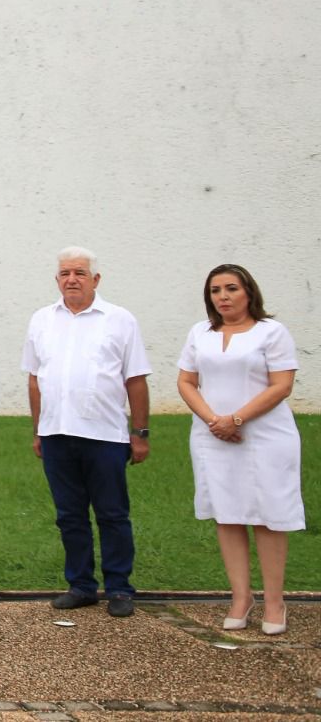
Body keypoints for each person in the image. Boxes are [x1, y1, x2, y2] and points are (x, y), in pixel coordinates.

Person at [175, 264, 303, 636]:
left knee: (268, 514)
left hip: (265, 437)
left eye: (231, 288)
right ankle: (240, 597)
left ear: (249, 292)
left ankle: (276, 601)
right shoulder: (201, 333)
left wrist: (238, 419)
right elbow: (186, 381)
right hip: (213, 436)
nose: (223, 296)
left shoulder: (271, 332)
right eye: (216, 290)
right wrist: (215, 420)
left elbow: (281, 385)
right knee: (227, 514)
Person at [24, 247, 151, 618]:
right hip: (56, 433)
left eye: (80, 273)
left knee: (112, 513)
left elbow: (136, 379)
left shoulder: (119, 320)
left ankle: (119, 588)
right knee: (69, 515)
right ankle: (80, 585)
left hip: (105, 435)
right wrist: (37, 430)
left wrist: (139, 432)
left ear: (96, 279)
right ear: (57, 279)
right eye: (65, 273)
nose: (72, 279)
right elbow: (35, 379)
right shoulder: (42, 320)